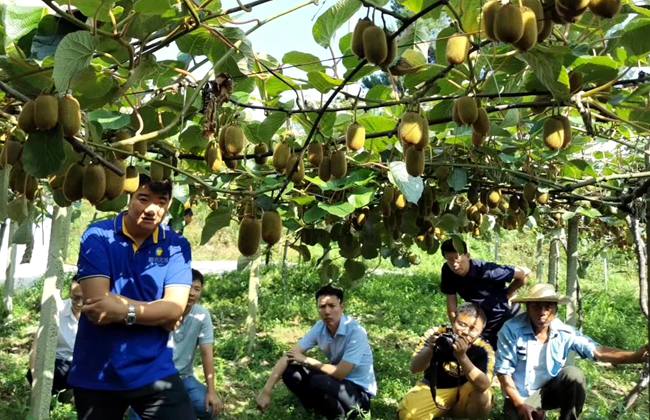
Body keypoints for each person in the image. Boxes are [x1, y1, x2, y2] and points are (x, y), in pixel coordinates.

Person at [68, 174, 195, 420]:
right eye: (143, 199)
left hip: (153, 370)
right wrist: (158, 313)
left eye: (161, 201)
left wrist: (124, 310)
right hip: (97, 372)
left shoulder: (177, 245)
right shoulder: (97, 236)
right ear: (129, 197)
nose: (151, 209)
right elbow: (98, 309)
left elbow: (174, 310)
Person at [495, 283, 650, 420]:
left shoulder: (563, 332)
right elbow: (503, 373)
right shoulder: (511, 330)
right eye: (536, 306)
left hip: (549, 391)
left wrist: (636, 356)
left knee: (573, 374)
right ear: (527, 308)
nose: (542, 312)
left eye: (547, 306)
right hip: (520, 396)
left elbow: (598, 352)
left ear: (555, 309)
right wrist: (521, 404)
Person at [256, 284, 376, 419]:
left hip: (358, 394)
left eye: (332, 306)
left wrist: (307, 360)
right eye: (322, 307)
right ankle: (318, 409)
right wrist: (266, 391)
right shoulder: (320, 327)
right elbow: (289, 356)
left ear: (342, 307)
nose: (327, 311)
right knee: (291, 371)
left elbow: (341, 373)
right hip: (336, 384)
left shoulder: (356, 332)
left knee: (319, 381)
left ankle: (341, 416)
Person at [129, 268, 223, 420]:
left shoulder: (202, 315)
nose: (192, 293)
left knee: (210, 408)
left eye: (197, 289)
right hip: (155, 377)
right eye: (189, 287)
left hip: (184, 378)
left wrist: (212, 391)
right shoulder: (161, 310)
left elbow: (207, 354)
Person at [398, 302, 494, 419]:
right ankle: (442, 411)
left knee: (482, 394)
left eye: (473, 329)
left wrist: (462, 356)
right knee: (408, 416)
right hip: (436, 388)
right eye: (462, 324)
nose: (465, 332)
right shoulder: (437, 334)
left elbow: (484, 385)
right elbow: (415, 368)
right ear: (454, 321)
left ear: (480, 333)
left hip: (465, 395)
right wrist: (430, 348)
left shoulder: (484, 349)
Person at [439, 238, 531, 347]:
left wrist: (508, 293)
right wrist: (457, 330)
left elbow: (523, 275)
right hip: (481, 322)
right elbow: (451, 307)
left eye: (457, 258)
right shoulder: (448, 271)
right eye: (450, 260)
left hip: (507, 318)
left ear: (467, 256)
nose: (454, 264)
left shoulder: (488, 270)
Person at [27, 278, 83, 397]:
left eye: (84, 298)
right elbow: (36, 346)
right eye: (75, 297)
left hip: (82, 365)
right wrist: (34, 373)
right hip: (58, 363)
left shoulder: (98, 314)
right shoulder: (58, 311)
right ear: (69, 292)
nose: (79, 303)